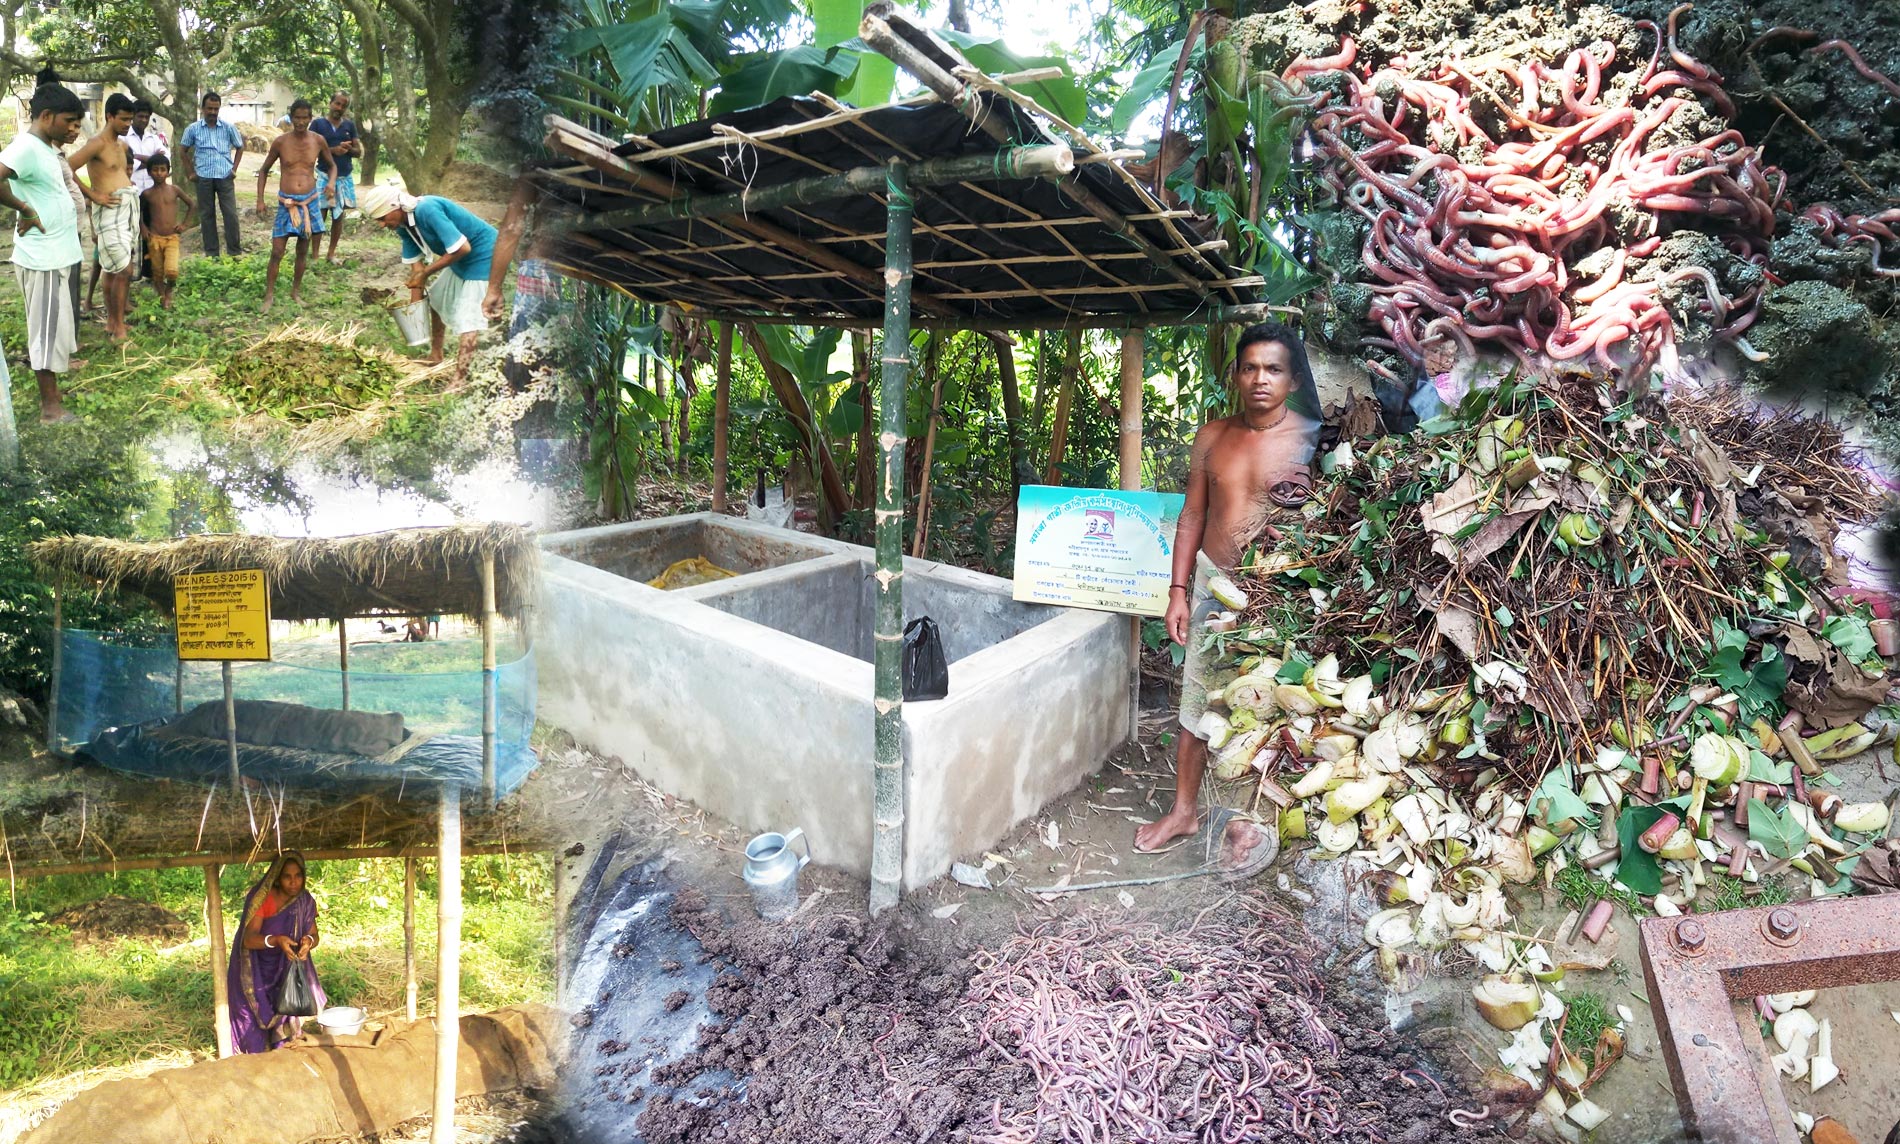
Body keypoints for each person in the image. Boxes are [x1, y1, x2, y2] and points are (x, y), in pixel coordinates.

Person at [1135, 322, 1322, 853]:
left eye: (1273, 369)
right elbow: (1193, 515)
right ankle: (1184, 812)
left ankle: (1258, 821)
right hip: (1212, 586)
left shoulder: (1313, 438)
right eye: (1250, 368)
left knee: (1276, 706)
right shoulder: (1212, 436)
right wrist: (1178, 590)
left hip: (1279, 593)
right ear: (1235, 374)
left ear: (1292, 379)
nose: (1261, 379)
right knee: (1195, 704)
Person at [0, 83, 85, 422]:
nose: (73, 128)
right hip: (43, 258)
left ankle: (54, 397)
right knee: (45, 334)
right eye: (69, 121)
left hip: (55, 255)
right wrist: (24, 208)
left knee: (54, 329)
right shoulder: (26, 148)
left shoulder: (44, 147)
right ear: (47, 116)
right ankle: (50, 409)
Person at [357, 181, 497, 382]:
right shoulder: (404, 227)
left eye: (382, 218)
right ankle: (436, 355)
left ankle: (459, 379)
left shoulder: (427, 209)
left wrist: (426, 274)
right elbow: (417, 272)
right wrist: (415, 318)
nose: (381, 224)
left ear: (395, 207)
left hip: (485, 254)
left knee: (469, 317)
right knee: (436, 299)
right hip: (460, 259)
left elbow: (463, 248)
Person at [229, 850, 326, 1053]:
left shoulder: (305, 901)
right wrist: (276, 940)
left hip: (286, 969)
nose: (293, 882)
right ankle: (254, 1057)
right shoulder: (263, 899)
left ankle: (282, 1053)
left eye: (298, 876)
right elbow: (248, 939)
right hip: (259, 969)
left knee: (285, 1016)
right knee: (254, 1026)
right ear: (277, 879)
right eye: (287, 876)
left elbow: (314, 935)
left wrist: (308, 942)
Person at [69, 93, 139, 341]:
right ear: (109, 116)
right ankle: (118, 327)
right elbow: (67, 167)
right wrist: (92, 194)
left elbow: (121, 173)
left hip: (126, 209)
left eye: (130, 120)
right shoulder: (96, 143)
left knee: (113, 268)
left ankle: (113, 322)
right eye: (124, 119)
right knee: (123, 269)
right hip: (108, 211)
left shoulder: (123, 146)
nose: (128, 124)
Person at [255, 99, 335, 310]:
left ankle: (295, 292)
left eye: (304, 118)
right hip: (286, 202)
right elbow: (263, 170)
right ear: (291, 118)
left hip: (309, 201)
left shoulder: (318, 141)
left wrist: (331, 183)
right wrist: (260, 200)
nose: (300, 122)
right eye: (297, 118)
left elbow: (332, 166)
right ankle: (269, 295)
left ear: (310, 118)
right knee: (277, 251)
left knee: (302, 250)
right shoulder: (281, 142)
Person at [180, 91, 246, 258]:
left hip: (225, 176)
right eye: (209, 108)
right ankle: (212, 254)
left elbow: (240, 147)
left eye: (216, 109)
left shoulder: (228, 128)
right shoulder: (193, 129)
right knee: (207, 216)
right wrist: (190, 173)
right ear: (202, 108)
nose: (212, 112)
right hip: (203, 177)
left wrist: (234, 169)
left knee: (230, 214)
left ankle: (234, 253)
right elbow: (182, 150)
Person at [308, 91, 359, 263]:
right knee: (319, 215)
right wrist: (332, 150)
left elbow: (358, 152)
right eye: (337, 103)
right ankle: (315, 255)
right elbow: (310, 149)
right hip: (323, 175)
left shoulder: (349, 126)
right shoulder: (317, 124)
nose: (340, 108)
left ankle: (330, 254)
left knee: (338, 217)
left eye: (344, 105)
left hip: (343, 177)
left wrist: (349, 149)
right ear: (330, 103)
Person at [122, 98, 167, 282]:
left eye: (146, 117)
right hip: (131, 191)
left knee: (150, 231)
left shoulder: (153, 138)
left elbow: (164, 160)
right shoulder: (123, 138)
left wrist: (138, 158)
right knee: (130, 231)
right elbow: (125, 161)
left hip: (150, 192)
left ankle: (149, 273)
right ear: (133, 116)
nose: (143, 120)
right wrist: (149, 160)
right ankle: (129, 272)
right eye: (140, 116)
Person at [140, 154, 193, 309]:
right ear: (149, 172)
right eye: (155, 170)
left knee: (172, 270)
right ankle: (162, 295)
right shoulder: (147, 194)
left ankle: (169, 291)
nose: (159, 173)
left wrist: (184, 224)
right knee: (157, 271)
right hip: (154, 238)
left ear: (168, 171)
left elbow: (191, 205)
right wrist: (143, 227)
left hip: (172, 238)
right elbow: (138, 212)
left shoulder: (174, 190)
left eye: (163, 170)